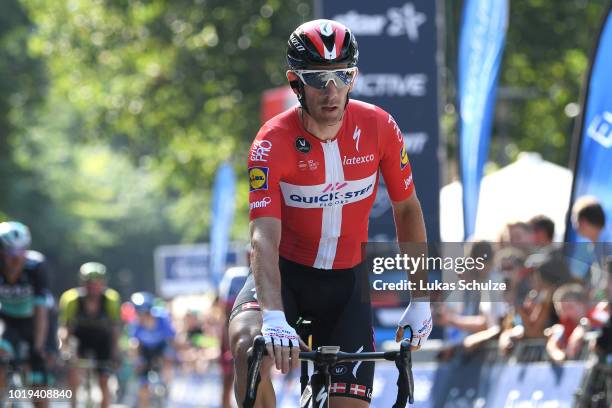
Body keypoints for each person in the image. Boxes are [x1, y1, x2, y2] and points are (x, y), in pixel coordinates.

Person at [229, 19, 432, 407]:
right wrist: (272, 316)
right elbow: (263, 237)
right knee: (245, 344)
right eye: (318, 79)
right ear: (295, 82)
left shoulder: (380, 127)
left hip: (346, 284)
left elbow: (407, 208)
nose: (332, 90)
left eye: (343, 75)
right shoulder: (272, 142)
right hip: (284, 275)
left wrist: (420, 298)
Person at [0, 221, 49, 407]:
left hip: (35, 320)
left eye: (21, 251)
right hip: (6, 319)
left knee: (39, 384)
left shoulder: (36, 266)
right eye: (10, 252)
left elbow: (41, 310)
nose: (16, 258)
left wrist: (39, 347)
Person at [58, 262, 121, 408]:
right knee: (73, 372)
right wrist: (65, 350)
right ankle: (73, 403)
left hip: (102, 341)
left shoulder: (111, 300)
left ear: (103, 283)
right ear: (83, 284)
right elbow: (65, 328)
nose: (94, 288)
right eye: (90, 284)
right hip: (80, 340)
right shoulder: (71, 299)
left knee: (104, 380)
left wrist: (115, 353)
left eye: (97, 284)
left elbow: (115, 329)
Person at [128, 292, 176, 408]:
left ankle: (166, 383)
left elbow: (171, 339)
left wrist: (170, 358)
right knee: (143, 385)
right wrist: (137, 361)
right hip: (146, 351)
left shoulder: (162, 318)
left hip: (161, 347)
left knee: (168, 356)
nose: (141, 317)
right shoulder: (136, 324)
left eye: (144, 313)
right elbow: (135, 344)